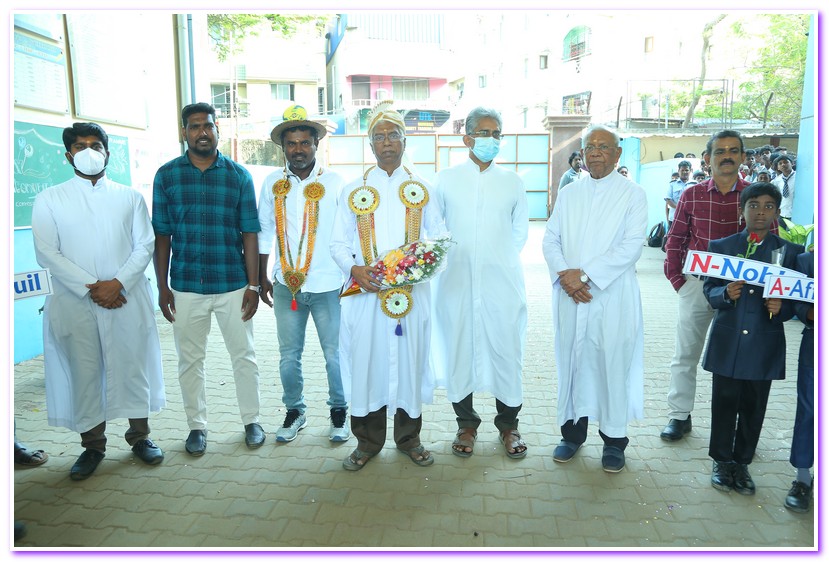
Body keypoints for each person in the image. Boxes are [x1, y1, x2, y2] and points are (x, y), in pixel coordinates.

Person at [32, 122, 165, 480]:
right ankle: (93, 446)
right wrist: (94, 287)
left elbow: (144, 245)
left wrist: (118, 283)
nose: (88, 151)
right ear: (68, 155)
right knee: (84, 371)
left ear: (107, 152)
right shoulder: (49, 199)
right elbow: (47, 252)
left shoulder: (130, 197)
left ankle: (140, 437)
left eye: (96, 145)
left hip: (125, 297)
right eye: (80, 146)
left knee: (132, 365)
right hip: (76, 301)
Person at [330, 100, 448, 471]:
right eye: (379, 137)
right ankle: (367, 442)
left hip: (411, 297)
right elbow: (337, 243)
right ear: (370, 145)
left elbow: (439, 239)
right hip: (366, 296)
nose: (386, 142)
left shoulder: (424, 188)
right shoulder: (353, 190)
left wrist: (420, 268)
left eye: (393, 135)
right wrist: (355, 269)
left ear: (404, 141)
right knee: (367, 364)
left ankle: (409, 439)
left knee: (409, 363)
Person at [152, 102, 264, 456]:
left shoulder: (238, 176)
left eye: (208, 126)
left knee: (244, 356)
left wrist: (253, 285)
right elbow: (162, 236)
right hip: (186, 286)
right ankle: (196, 427)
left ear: (218, 130)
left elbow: (250, 233)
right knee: (190, 360)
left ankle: (252, 421)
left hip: (232, 284)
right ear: (184, 132)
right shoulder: (167, 176)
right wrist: (162, 287)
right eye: (195, 126)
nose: (202, 132)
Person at [542, 125, 647, 473]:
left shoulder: (633, 194)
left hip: (611, 296)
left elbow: (631, 247)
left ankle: (614, 441)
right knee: (572, 363)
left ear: (618, 153)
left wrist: (584, 275)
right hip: (571, 296)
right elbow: (550, 239)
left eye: (604, 146)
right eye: (590, 147)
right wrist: (565, 275)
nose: (596, 152)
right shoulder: (570, 193)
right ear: (583, 154)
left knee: (611, 364)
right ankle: (572, 435)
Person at [431, 107, 529, 460]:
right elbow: (434, 228)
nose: (492, 139)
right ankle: (466, 424)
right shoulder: (445, 179)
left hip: (502, 281)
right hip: (455, 280)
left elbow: (519, 232)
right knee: (460, 348)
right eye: (484, 133)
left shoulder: (512, 181)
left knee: (506, 349)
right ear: (467, 138)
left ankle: (509, 425)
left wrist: (494, 259)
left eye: (497, 133)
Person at [257, 105, 349, 443]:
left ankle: (339, 411)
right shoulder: (272, 183)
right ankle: (295, 411)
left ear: (316, 145)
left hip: (328, 284)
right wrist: (261, 277)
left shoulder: (335, 183)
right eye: (291, 143)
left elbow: (348, 233)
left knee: (335, 355)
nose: (298, 150)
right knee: (288, 356)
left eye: (305, 143)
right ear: (283, 147)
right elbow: (264, 230)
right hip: (287, 285)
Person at [702, 182, 802, 494]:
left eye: (768, 206)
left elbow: (797, 300)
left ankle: (742, 462)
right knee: (724, 402)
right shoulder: (722, 247)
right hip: (728, 341)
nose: (761, 212)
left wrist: (783, 308)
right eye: (754, 205)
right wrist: (725, 293)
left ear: (777, 212)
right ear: (741, 210)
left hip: (763, 344)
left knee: (754, 406)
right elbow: (709, 289)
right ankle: (722, 461)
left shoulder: (790, 253)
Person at [660, 130, 753, 442]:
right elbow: (675, 239)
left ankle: (734, 423)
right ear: (708, 158)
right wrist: (678, 281)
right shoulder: (692, 194)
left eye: (733, 151)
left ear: (742, 157)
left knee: (736, 358)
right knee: (685, 354)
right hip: (697, 287)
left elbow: (771, 241)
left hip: (740, 291)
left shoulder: (754, 196)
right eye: (720, 151)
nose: (727, 156)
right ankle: (679, 416)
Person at [785, 249, 814, 512]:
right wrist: (810, 313)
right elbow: (796, 302)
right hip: (816, 343)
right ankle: (803, 477)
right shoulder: (807, 261)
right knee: (809, 408)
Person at [665, 160, 693, 229]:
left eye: (686, 170)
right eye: (682, 170)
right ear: (678, 171)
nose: (684, 172)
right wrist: (680, 208)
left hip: (690, 219)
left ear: (690, 171)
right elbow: (668, 200)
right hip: (674, 218)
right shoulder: (672, 184)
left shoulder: (695, 185)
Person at [771, 154, 796, 222]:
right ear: (778, 168)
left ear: (792, 164)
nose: (783, 165)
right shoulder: (777, 180)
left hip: (795, 213)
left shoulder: (798, 177)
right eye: (780, 163)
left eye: (785, 162)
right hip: (782, 213)